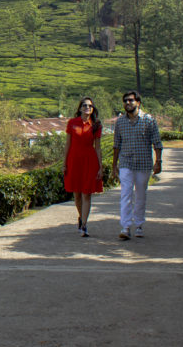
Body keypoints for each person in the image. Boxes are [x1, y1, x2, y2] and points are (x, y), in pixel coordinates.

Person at [112, 90, 163, 240]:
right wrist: (114, 165)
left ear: (138, 103)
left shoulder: (149, 120)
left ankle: (139, 224)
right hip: (126, 163)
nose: (128, 103)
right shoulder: (120, 122)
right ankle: (125, 226)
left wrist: (158, 161)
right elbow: (116, 145)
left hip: (143, 163)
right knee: (125, 194)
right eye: (125, 101)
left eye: (131, 100)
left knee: (140, 195)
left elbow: (157, 142)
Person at [63, 97, 103, 237]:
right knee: (77, 194)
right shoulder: (72, 123)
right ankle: (81, 217)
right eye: (85, 105)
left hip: (89, 160)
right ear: (80, 108)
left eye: (90, 106)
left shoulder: (96, 125)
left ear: (92, 109)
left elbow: (97, 147)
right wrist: (64, 163)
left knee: (87, 193)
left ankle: (84, 224)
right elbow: (68, 144)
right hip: (74, 160)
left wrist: (100, 166)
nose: (87, 107)